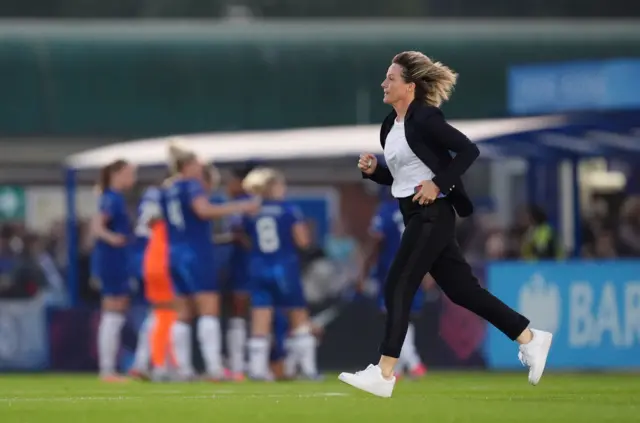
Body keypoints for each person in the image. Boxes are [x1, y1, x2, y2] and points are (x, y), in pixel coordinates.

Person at [339, 51, 552, 398]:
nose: (384, 83)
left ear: (409, 86)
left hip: (433, 213)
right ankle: (529, 336)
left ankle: (385, 372)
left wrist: (438, 183)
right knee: (462, 291)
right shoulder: (388, 126)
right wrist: (373, 171)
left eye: (390, 78)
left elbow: (468, 150)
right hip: (414, 213)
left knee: (398, 283)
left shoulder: (425, 117)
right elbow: (403, 178)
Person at [162, 144, 260, 381]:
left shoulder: (169, 189)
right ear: (187, 166)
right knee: (208, 309)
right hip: (196, 252)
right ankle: (214, 367)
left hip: (174, 252)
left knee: (183, 312)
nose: (201, 168)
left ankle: (183, 369)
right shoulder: (192, 185)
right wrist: (241, 206)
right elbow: (203, 211)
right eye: (197, 164)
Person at [241, 168, 318, 380]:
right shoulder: (289, 209)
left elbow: (245, 238)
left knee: (260, 318)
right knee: (298, 316)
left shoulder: (251, 210)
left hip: (258, 267)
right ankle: (308, 370)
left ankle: (257, 371)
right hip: (284, 266)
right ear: (273, 186)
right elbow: (303, 241)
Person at [357, 187, 427, 379]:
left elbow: (376, 240)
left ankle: (412, 363)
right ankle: (403, 366)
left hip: (392, 268)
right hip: (415, 267)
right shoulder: (418, 207)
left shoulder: (386, 210)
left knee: (395, 316)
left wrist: (363, 271)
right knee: (405, 315)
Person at [90, 159, 137, 382]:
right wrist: (113, 238)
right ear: (116, 174)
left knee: (117, 313)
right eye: (129, 174)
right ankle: (107, 369)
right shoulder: (111, 198)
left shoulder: (114, 198)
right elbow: (97, 226)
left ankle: (109, 368)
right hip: (111, 260)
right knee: (112, 312)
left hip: (117, 259)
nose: (133, 179)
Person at [224, 166, 255, 381]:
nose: (228, 186)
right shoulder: (260, 201)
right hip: (261, 265)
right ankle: (251, 363)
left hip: (245, 265)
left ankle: (237, 364)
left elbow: (239, 234)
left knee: (240, 313)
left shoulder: (241, 204)